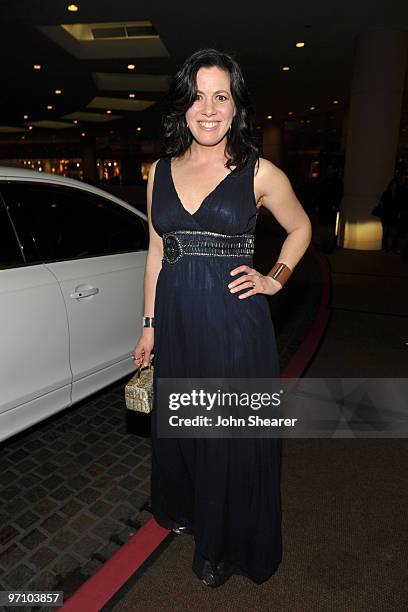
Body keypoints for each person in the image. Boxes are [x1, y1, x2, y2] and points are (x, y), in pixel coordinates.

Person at [132, 48, 312, 588]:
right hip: (178, 318)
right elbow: (155, 252)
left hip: (234, 324)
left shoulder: (260, 171)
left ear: (236, 108)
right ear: (183, 105)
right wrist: (148, 324)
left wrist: (273, 278)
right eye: (198, 96)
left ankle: (228, 542)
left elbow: (301, 229)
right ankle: (193, 510)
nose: (208, 109)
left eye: (221, 97)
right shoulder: (158, 171)